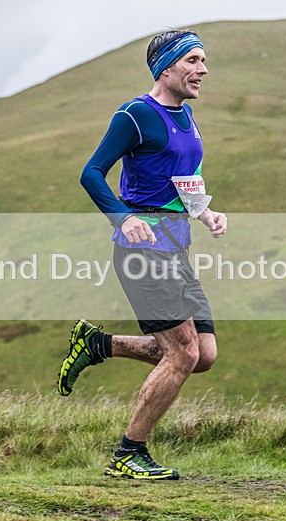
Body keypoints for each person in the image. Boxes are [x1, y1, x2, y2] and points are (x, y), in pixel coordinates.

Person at [57, 28, 227, 480]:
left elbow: (184, 182)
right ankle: (129, 453)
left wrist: (206, 212)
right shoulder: (135, 115)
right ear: (166, 66)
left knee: (204, 354)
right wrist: (121, 217)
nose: (203, 70)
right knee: (182, 354)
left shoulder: (188, 119)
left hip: (178, 247)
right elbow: (91, 173)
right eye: (193, 61)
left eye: (204, 61)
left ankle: (98, 344)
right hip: (142, 249)